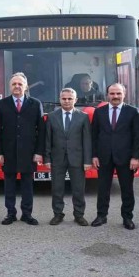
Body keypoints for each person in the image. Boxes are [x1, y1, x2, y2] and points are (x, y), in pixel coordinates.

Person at [0, 72, 44, 225]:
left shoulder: (35, 104)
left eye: (20, 84)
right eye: (14, 84)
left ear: (26, 86)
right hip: (8, 151)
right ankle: (10, 213)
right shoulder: (2, 104)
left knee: (27, 184)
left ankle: (27, 214)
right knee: (9, 184)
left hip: (29, 152)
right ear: (10, 86)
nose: (17, 86)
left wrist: (38, 152)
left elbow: (41, 130)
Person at [91, 83, 139, 229]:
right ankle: (101, 216)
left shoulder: (133, 111)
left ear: (124, 94)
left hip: (126, 158)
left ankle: (127, 218)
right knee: (103, 189)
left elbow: (138, 136)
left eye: (118, 93)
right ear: (108, 95)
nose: (115, 96)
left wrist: (135, 157)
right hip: (103, 156)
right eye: (112, 94)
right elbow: (94, 135)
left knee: (127, 189)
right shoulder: (99, 112)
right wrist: (94, 155)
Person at [44, 88, 92, 226]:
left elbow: (87, 140)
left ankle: (79, 215)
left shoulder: (83, 117)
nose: (66, 101)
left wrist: (87, 160)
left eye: (70, 98)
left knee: (78, 189)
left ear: (75, 100)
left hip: (77, 158)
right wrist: (47, 158)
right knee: (57, 189)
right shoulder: (52, 116)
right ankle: (58, 214)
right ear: (60, 99)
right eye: (64, 98)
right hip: (57, 158)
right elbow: (48, 139)